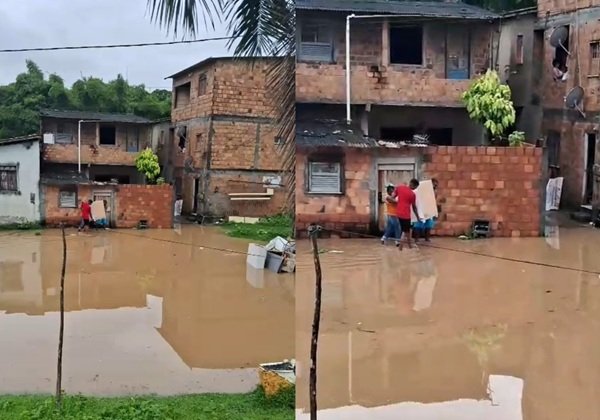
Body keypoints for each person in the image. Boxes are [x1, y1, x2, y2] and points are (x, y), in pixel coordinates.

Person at [393, 179, 421, 250]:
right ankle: (400, 248)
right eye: (415, 187)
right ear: (413, 185)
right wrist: (418, 217)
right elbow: (414, 207)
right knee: (405, 231)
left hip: (398, 213)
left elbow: (392, 196)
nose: (415, 189)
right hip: (406, 215)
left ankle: (410, 246)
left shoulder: (399, 187)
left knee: (407, 231)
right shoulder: (412, 194)